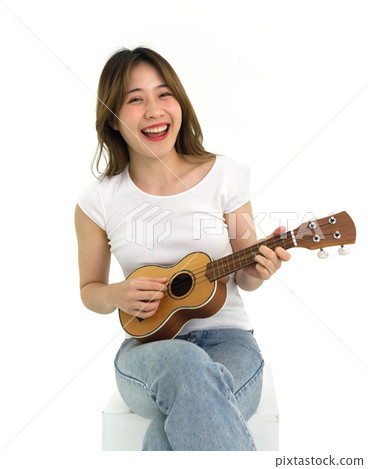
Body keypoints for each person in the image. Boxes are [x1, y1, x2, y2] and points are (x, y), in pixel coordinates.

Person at [75, 46, 291, 451]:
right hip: (147, 353)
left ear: (180, 104)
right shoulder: (97, 202)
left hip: (231, 344)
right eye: (135, 99)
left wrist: (259, 269)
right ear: (114, 121)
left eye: (164, 94)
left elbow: (245, 276)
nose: (154, 110)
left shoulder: (225, 176)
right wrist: (116, 294)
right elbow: (90, 291)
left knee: (169, 430)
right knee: (184, 364)